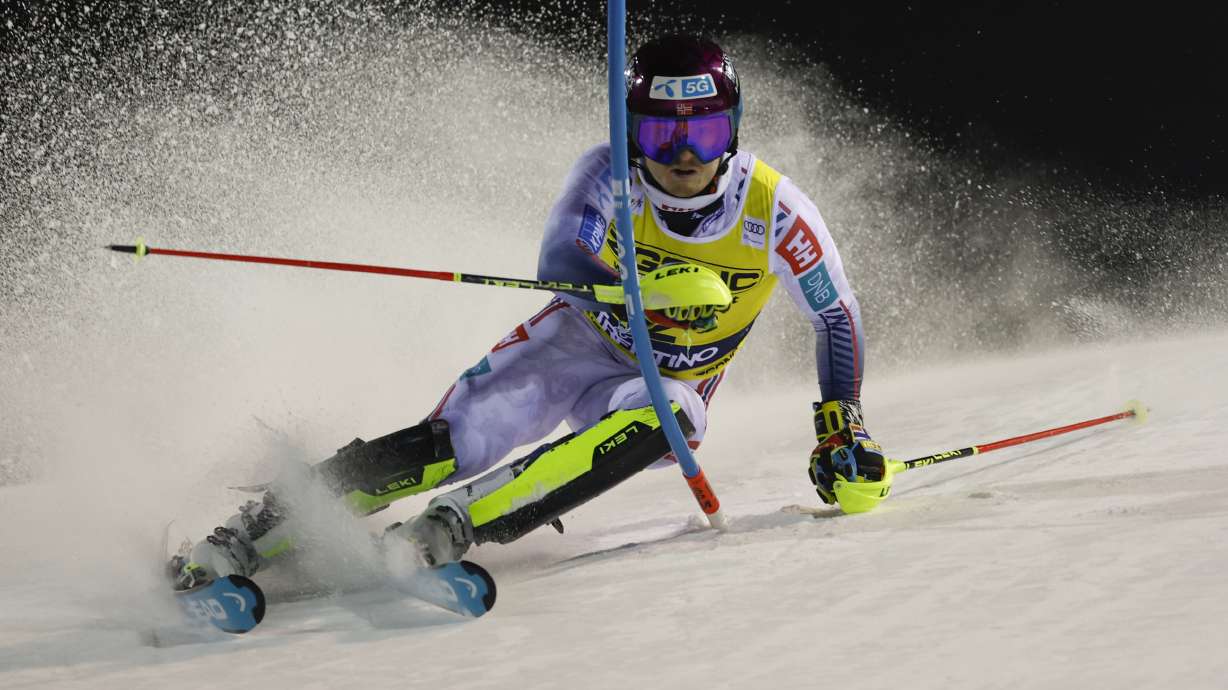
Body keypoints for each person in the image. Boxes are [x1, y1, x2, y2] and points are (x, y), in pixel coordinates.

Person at [169, 34, 890, 590]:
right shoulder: (609, 171)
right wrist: (648, 281)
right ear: (630, 128)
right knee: (460, 439)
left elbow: (835, 314)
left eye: (700, 132)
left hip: (654, 383)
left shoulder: (777, 211)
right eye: (658, 132)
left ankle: (453, 525)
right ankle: (248, 535)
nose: (679, 154)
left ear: (730, 130)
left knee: (678, 418)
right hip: (568, 348)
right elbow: (560, 257)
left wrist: (840, 425)